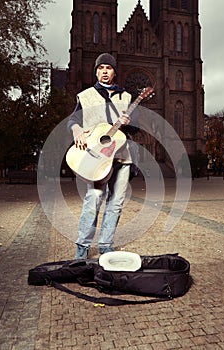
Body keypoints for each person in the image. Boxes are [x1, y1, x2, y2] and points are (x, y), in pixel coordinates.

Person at [67, 52, 138, 259]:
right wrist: (77, 130)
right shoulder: (87, 95)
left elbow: (136, 129)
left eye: (108, 68)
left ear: (114, 72)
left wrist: (129, 123)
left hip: (122, 157)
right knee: (94, 199)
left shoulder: (126, 97)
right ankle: (83, 245)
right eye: (100, 68)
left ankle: (106, 244)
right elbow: (73, 120)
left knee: (116, 202)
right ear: (96, 71)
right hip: (97, 159)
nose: (104, 72)